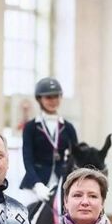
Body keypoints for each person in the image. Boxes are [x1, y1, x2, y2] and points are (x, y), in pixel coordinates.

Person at [20, 77, 78, 205]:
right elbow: (27, 159)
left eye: (56, 96)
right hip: (36, 184)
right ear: (39, 99)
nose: (53, 101)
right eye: (48, 97)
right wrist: (37, 184)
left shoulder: (68, 127)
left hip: (62, 182)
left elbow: (75, 157)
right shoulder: (31, 127)